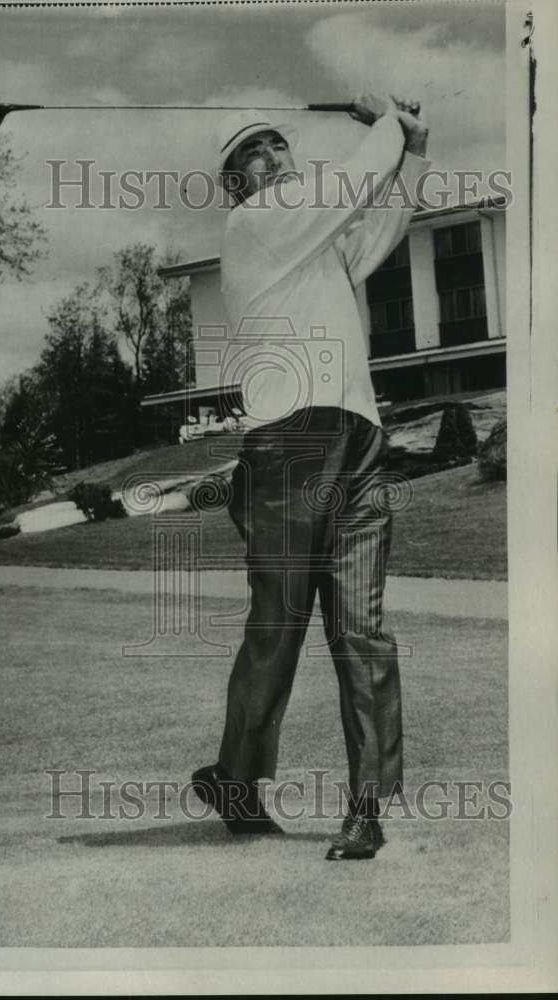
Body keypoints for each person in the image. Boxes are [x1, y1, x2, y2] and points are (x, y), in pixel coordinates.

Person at [192, 93, 430, 859]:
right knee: (280, 627)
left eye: (275, 145)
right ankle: (235, 774)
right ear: (235, 184)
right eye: (250, 155)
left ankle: (367, 807)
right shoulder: (254, 227)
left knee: (362, 630)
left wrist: (414, 148)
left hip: (358, 437)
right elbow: (354, 184)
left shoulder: (315, 243)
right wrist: (388, 123)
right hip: (288, 444)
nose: (270, 159)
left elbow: (382, 219)